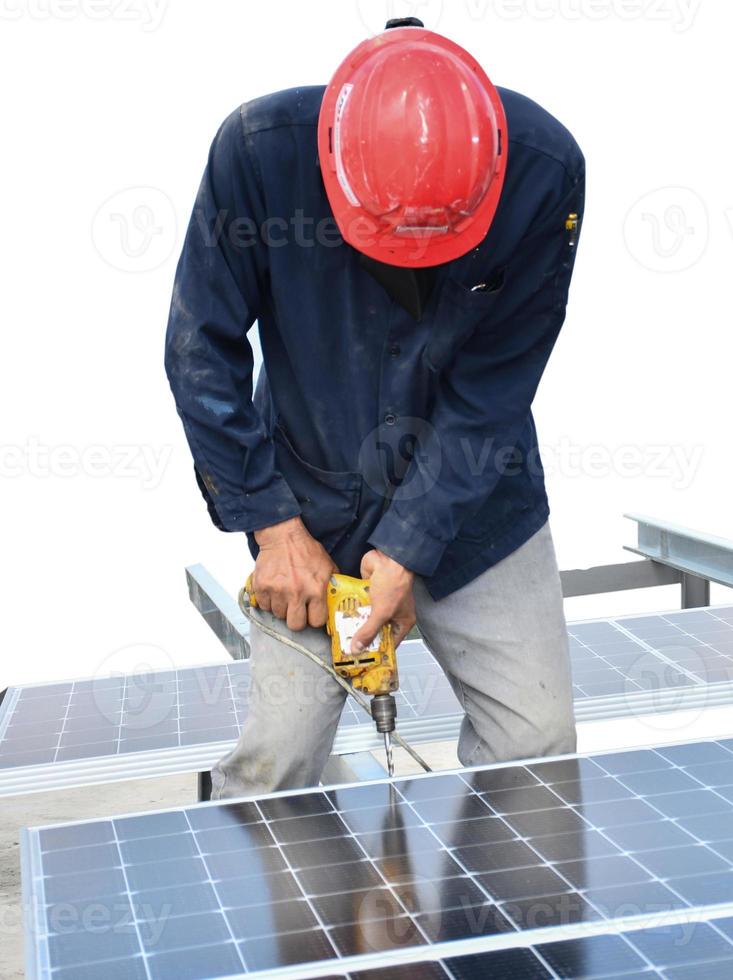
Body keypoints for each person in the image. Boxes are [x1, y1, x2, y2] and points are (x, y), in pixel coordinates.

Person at [164, 18, 584, 798]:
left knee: (539, 751)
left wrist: (409, 547)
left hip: (479, 500)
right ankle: (288, 923)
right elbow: (201, 353)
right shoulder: (259, 156)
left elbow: (494, 382)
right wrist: (273, 526)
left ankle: (502, 922)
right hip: (310, 504)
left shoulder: (542, 172)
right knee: (274, 767)